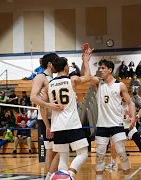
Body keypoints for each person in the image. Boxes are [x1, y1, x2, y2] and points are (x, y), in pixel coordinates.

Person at [35, 46, 93, 178]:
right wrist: (85, 60)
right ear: (66, 67)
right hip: (71, 124)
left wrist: (48, 126)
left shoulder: (49, 85)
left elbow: (42, 106)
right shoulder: (72, 80)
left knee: (63, 156)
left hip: (57, 126)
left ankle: (61, 176)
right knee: (83, 153)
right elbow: (88, 77)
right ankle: (70, 174)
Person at [90, 59, 136, 180]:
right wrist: (85, 60)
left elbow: (130, 103)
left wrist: (133, 117)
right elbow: (87, 76)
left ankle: (128, 178)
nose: (100, 70)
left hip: (117, 124)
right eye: (99, 68)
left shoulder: (120, 85)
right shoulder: (98, 83)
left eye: (103, 68)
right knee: (99, 155)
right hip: (102, 125)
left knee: (122, 153)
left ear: (110, 70)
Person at [29, 53, 64, 180]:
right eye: (55, 62)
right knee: (52, 149)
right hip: (45, 119)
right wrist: (49, 106)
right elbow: (33, 97)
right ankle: (49, 177)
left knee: (56, 149)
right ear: (50, 64)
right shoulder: (40, 77)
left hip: (54, 118)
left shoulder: (53, 79)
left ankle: (50, 176)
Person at [105, 99, 141, 170]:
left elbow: (134, 116)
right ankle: (113, 162)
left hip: (129, 127)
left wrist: (131, 117)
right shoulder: (116, 104)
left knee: (138, 141)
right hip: (120, 127)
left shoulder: (131, 104)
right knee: (113, 144)